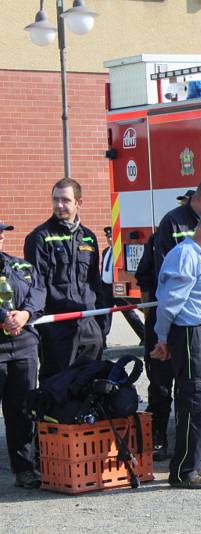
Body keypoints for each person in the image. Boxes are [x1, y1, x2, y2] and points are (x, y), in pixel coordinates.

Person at [151, 211, 201, 489]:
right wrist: (161, 337)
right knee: (194, 399)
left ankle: (196, 462)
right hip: (190, 334)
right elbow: (169, 301)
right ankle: (183, 470)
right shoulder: (185, 255)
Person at [24, 178, 104, 382]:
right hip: (56, 326)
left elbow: (95, 281)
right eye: (55, 200)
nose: (59, 205)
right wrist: (42, 327)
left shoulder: (88, 237)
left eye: (65, 200)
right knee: (57, 384)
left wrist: (102, 325)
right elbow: (36, 285)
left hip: (88, 324)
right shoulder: (39, 237)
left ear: (79, 202)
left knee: (89, 381)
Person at [0, 221, 46, 489]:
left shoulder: (20, 266)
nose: (1, 237)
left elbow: (38, 292)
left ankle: (25, 469)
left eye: (1, 233)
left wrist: (26, 313)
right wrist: (4, 318)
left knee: (21, 411)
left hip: (23, 346)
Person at [99, 226, 144, 345]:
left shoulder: (120, 252)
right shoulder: (105, 252)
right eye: (108, 237)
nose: (109, 240)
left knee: (130, 314)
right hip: (106, 288)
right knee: (105, 316)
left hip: (118, 288)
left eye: (112, 237)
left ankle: (144, 336)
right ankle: (102, 342)